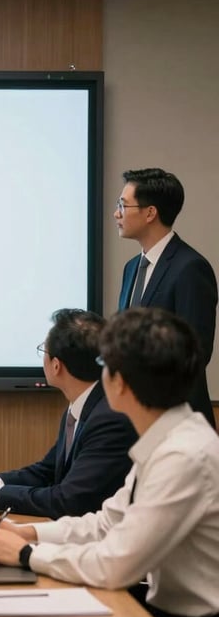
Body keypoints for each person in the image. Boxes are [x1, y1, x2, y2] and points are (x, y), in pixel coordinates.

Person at [0, 308, 219, 617]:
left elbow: (114, 565)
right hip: (164, 616)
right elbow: (107, 523)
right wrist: (28, 531)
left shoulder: (183, 456)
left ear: (118, 382)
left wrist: (26, 554)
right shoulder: (168, 436)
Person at [0, 309, 136, 519]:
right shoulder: (84, 405)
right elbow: (47, 471)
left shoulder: (110, 418)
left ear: (56, 365)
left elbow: (69, 500)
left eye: (44, 351)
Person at [115, 167, 217, 428]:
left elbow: (196, 352)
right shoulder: (131, 268)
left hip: (178, 421)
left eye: (123, 206)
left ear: (150, 213)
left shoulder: (190, 268)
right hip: (136, 418)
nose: (116, 214)